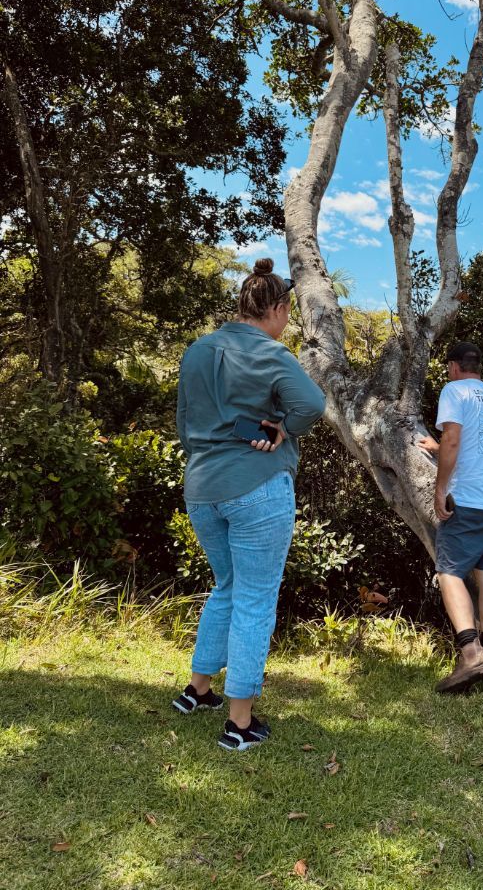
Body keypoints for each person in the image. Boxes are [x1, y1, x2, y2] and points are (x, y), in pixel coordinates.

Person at [173, 258, 325, 750]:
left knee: (228, 587)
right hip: (256, 485)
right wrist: (285, 429)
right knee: (256, 598)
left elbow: (183, 422)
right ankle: (240, 724)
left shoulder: (197, 351)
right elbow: (312, 406)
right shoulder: (271, 352)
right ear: (277, 308)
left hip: (201, 487)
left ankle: (197, 690)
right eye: (288, 312)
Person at [418, 341, 483, 693]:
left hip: (469, 499)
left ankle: (471, 652)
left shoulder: (454, 389)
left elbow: (455, 440)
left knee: (449, 571)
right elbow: (480, 444)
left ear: (455, 366)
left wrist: (440, 489)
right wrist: (436, 447)